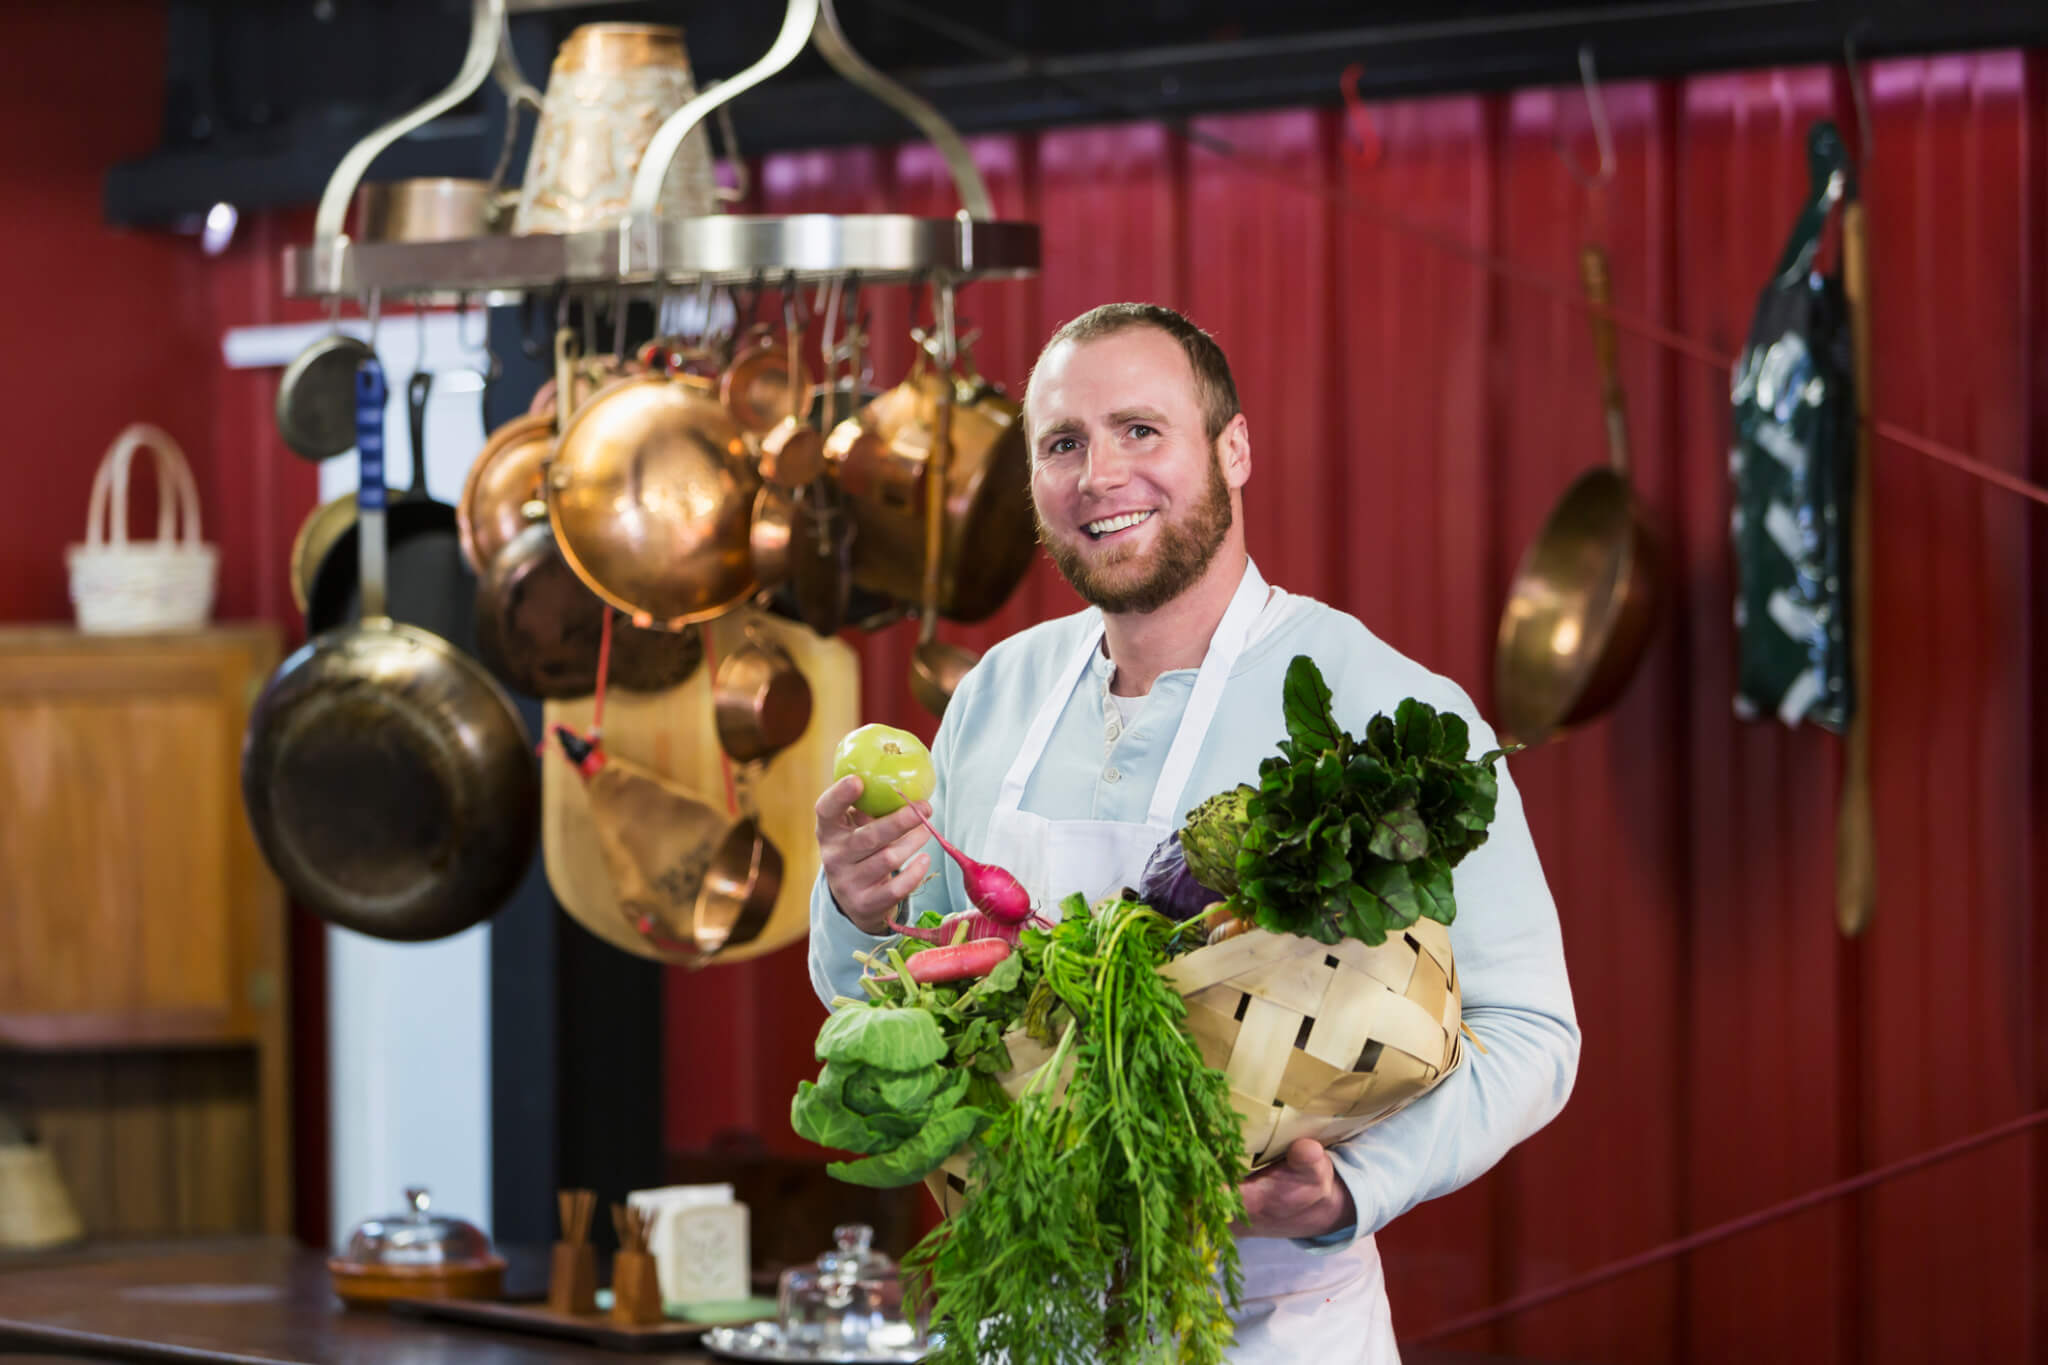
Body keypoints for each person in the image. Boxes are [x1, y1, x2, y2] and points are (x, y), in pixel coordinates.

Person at [807, 302, 1579, 1363]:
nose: (1099, 476)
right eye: (1063, 444)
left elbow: (1532, 1032)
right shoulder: (998, 692)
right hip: (1024, 1312)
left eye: (1139, 431)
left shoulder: (1383, 707)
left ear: (1232, 448)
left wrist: (1356, 1186)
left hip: (1266, 1327)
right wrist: (855, 907)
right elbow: (889, 1003)